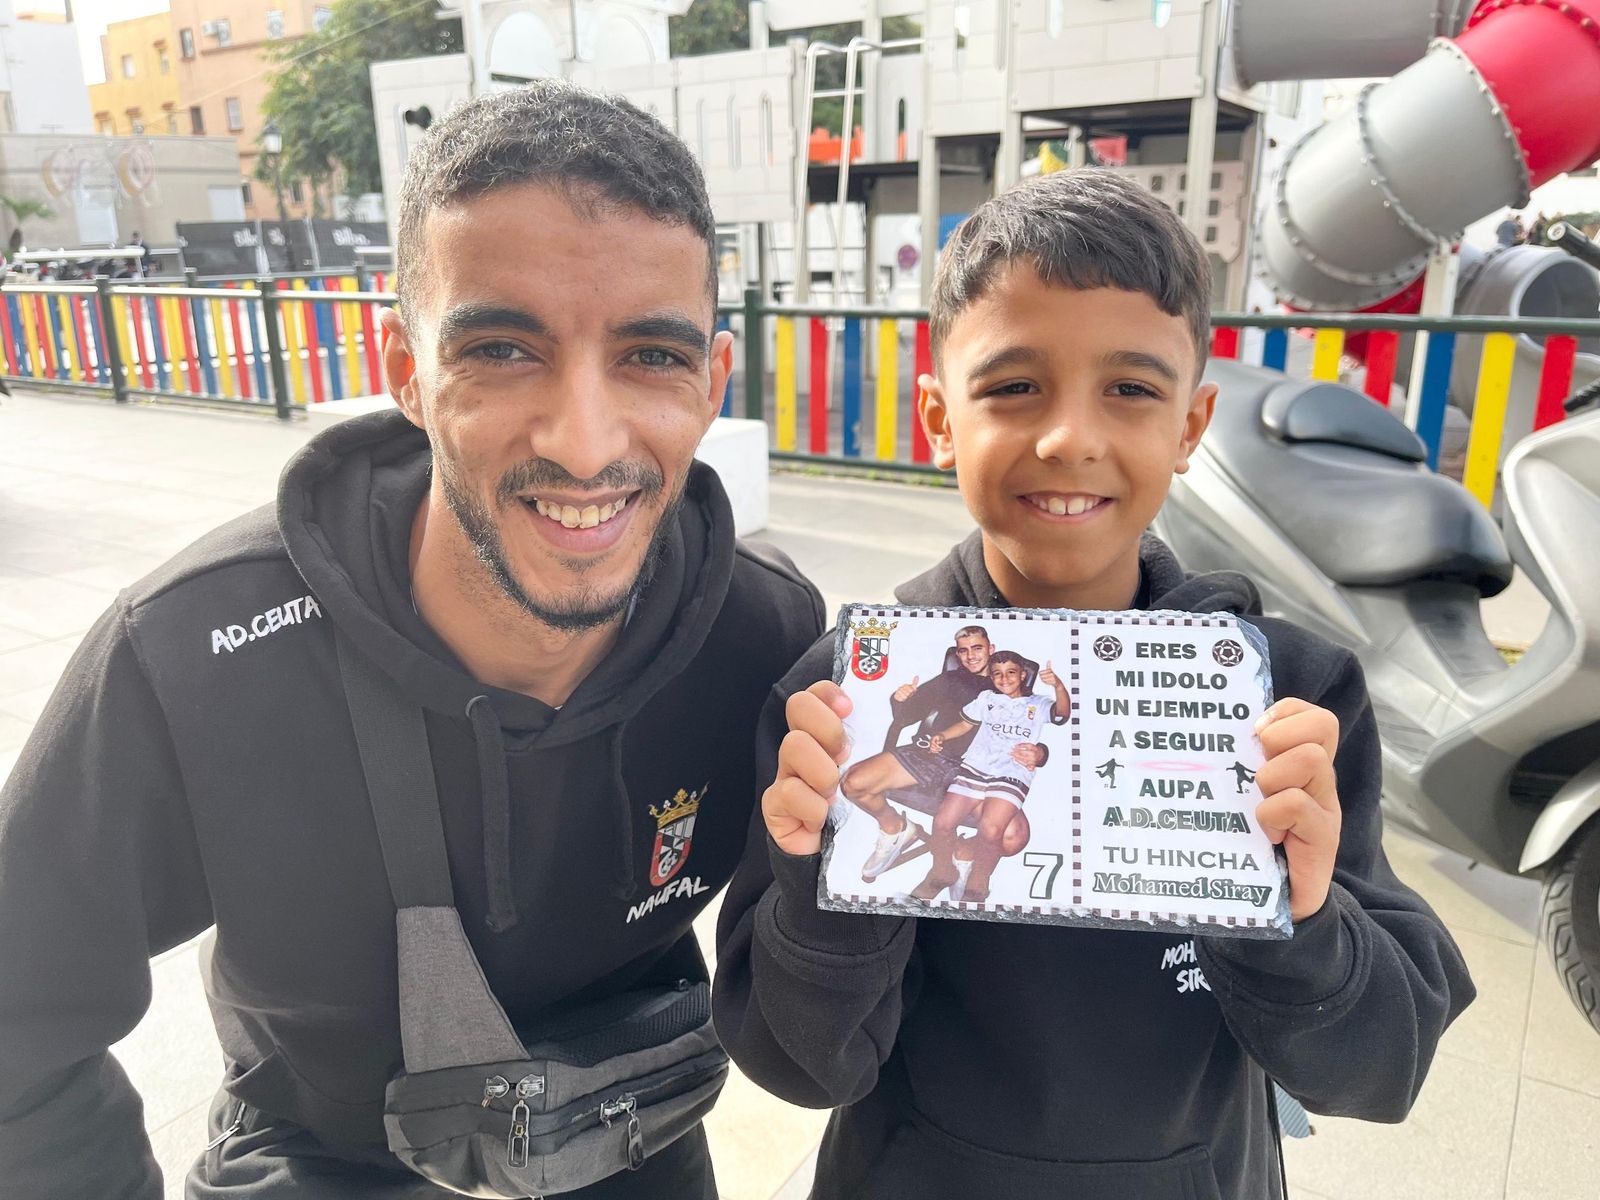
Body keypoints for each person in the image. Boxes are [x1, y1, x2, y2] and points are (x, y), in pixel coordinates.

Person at [0, 82, 824, 1199]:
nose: (585, 444)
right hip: (327, 1151)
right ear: (406, 373)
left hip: (626, 1129)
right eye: (501, 349)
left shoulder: (761, 633)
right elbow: (19, 1019)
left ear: (712, 381)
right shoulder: (197, 655)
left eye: (650, 358)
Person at [714, 169, 1475, 1200]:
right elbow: (798, 1065)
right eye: (1013, 384)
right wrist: (825, 880)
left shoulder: (1289, 701)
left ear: (1192, 424)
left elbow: (1379, 1068)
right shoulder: (847, 706)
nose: (1070, 436)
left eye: (1130, 388)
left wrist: (1301, 918)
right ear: (938, 416)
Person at [909, 651, 1069, 903]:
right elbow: (965, 724)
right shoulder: (986, 699)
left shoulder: (1037, 704)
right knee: (942, 822)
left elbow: (1062, 713)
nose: (1004, 679)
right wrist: (942, 736)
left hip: (1010, 773)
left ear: (1023, 675)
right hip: (975, 768)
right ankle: (941, 872)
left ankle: (978, 883)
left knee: (991, 829)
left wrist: (1058, 685)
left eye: (1011, 672)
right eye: (997, 674)